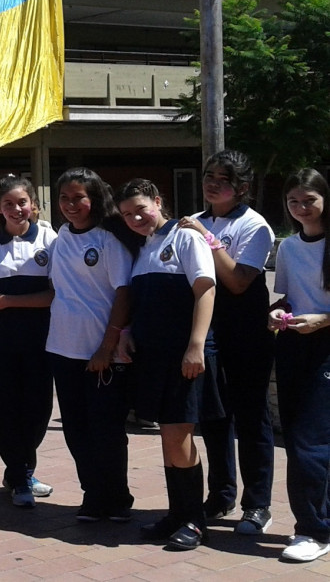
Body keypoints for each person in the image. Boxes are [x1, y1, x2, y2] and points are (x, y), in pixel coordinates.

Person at [179, 150, 276, 534]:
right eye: (209, 175)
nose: (212, 182)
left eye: (223, 178)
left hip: (247, 335)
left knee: (252, 420)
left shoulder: (256, 226)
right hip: (209, 336)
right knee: (215, 420)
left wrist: (206, 237)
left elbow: (237, 281)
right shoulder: (193, 221)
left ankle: (258, 505)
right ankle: (220, 495)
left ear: (243, 187)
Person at [118, 178, 217, 551]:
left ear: (158, 201)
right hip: (151, 358)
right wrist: (127, 332)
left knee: (179, 436)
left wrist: (196, 346)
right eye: (127, 215)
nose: (135, 218)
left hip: (181, 357)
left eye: (140, 209)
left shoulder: (186, 237)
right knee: (168, 438)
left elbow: (205, 289)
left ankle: (195, 520)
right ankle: (178, 514)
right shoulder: (144, 248)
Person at [46, 168, 135, 522]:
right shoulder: (62, 237)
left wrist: (106, 346)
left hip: (102, 354)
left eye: (78, 197)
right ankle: (94, 495)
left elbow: (123, 293)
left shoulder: (109, 239)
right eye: (64, 198)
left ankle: (118, 498)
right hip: (63, 350)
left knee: (107, 431)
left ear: (94, 199)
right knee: (76, 430)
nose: (70, 205)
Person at [0, 175, 56, 507]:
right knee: (7, 408)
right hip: (1, 339)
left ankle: (22, 469)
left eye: (22, 202)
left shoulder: (50, 239)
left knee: (39, 409)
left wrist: (7, 301)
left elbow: (54, 294)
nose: (16, 209)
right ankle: (19, 475)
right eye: (9, 204)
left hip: (41, 337)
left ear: (33, 204)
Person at [270, 169, 330, 562]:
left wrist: (323, 321)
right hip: (295, 345)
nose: (301, 208)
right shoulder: (290, 247)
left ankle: (312, 529)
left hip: (324, 344)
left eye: (309, 200)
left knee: (311, 441)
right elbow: (287, 298)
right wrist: (276, 314)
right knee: (298, 439)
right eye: (293, 201)